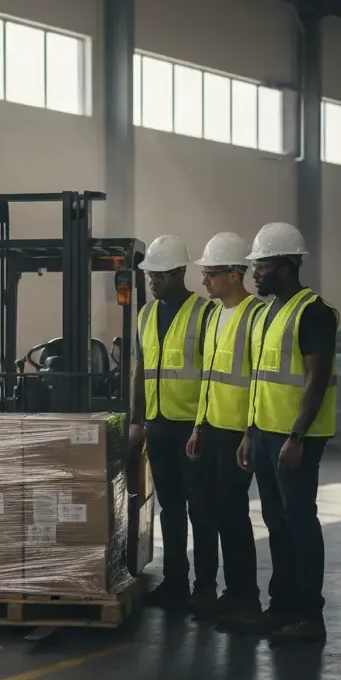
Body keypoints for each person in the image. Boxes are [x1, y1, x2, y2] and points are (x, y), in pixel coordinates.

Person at [236, 222, 338, 646]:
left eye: (259, 266)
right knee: (276, 522)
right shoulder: (268, 312)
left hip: (295, 438)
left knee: (300, 522)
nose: (254, 274)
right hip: (264, 434)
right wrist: (249, 432)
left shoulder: (313, 311)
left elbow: (316, 379)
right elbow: (261, 378)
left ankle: (309, 616)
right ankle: (282, 609)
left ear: (283, 266)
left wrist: (297, 436)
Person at [185, 232, 265, 626]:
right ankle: (218, 592)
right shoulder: (214, 315)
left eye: (211, 274)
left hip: (238, 435)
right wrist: (199, 425)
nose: (204, 282)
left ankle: (245, 598)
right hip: (211, 429)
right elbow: (209, 377)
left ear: (235, 275)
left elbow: (257, 381)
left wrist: (250, 432)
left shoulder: (256, 315)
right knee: (207, 511)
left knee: (233, 516)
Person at [129, 234, 212, 611]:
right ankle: (176, 581)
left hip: (193, 429)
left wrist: (203, 425)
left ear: (180, 273)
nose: (153, 282)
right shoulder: (146, 314)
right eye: (150, 276)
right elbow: (140, 371)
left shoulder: (204, 313)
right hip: (158, 426)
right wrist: (137, 420)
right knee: (171, 509)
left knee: (201, 509)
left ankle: (205, 588)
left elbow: (212, 375)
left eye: (160, 276)